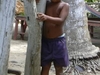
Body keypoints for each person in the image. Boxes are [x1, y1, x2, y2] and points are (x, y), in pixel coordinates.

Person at [36, 0, 69, 75]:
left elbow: (61, 20)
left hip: (58, 42)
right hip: (45, 41)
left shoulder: (64, 5)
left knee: (58, 67)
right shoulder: (46, 3)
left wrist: (46, 17)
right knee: (45, 66)